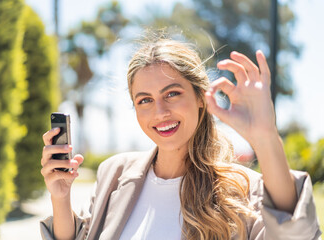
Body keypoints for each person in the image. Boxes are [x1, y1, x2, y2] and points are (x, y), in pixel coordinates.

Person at [40, 38, 321, 240]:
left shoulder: (243, 188)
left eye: (172, 93)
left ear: (200, 97)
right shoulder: (115, 173)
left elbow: (295, 235)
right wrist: (60, 198)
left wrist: (265, 136)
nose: (160, 112)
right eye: (145, 100)